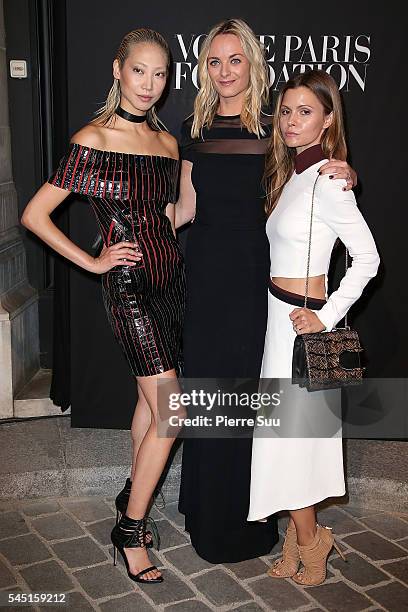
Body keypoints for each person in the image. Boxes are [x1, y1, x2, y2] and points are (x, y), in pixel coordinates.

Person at [175, 18, 356, 563]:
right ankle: (206, 511)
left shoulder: (274, 128)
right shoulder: (194, 129)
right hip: (204, 275)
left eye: (235, 59)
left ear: (253, 64)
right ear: (204, 69)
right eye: (214, 60)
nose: (225, 70)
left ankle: (242, 522)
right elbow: (186, 208)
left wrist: (341, 169)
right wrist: (134, 222)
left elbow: (309, 173)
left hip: (254, 279)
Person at [21, 28, 186, 584]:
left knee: (150, 401)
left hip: (170, 283)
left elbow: (173, 214)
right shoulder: (92, 139)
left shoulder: (167, 143)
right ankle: (130, 529)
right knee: (171, 410)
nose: (150, 85)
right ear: (118, 70)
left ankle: (128, 493)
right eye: (139, 71)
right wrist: (92, 262)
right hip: (130, 288)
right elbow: (35, 215)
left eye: (160, 74)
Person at [248, 70, 380, 585]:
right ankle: (302, 535)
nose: (291, 121)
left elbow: (368, 260)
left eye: (305, 111)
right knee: (285, 439)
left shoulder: (328, 180)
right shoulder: (294, 175)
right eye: (285, 111)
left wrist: (324, 317)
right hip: (278, 320)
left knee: (294, 439)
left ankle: (310, 540)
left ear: (328, 120)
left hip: (306, 329)